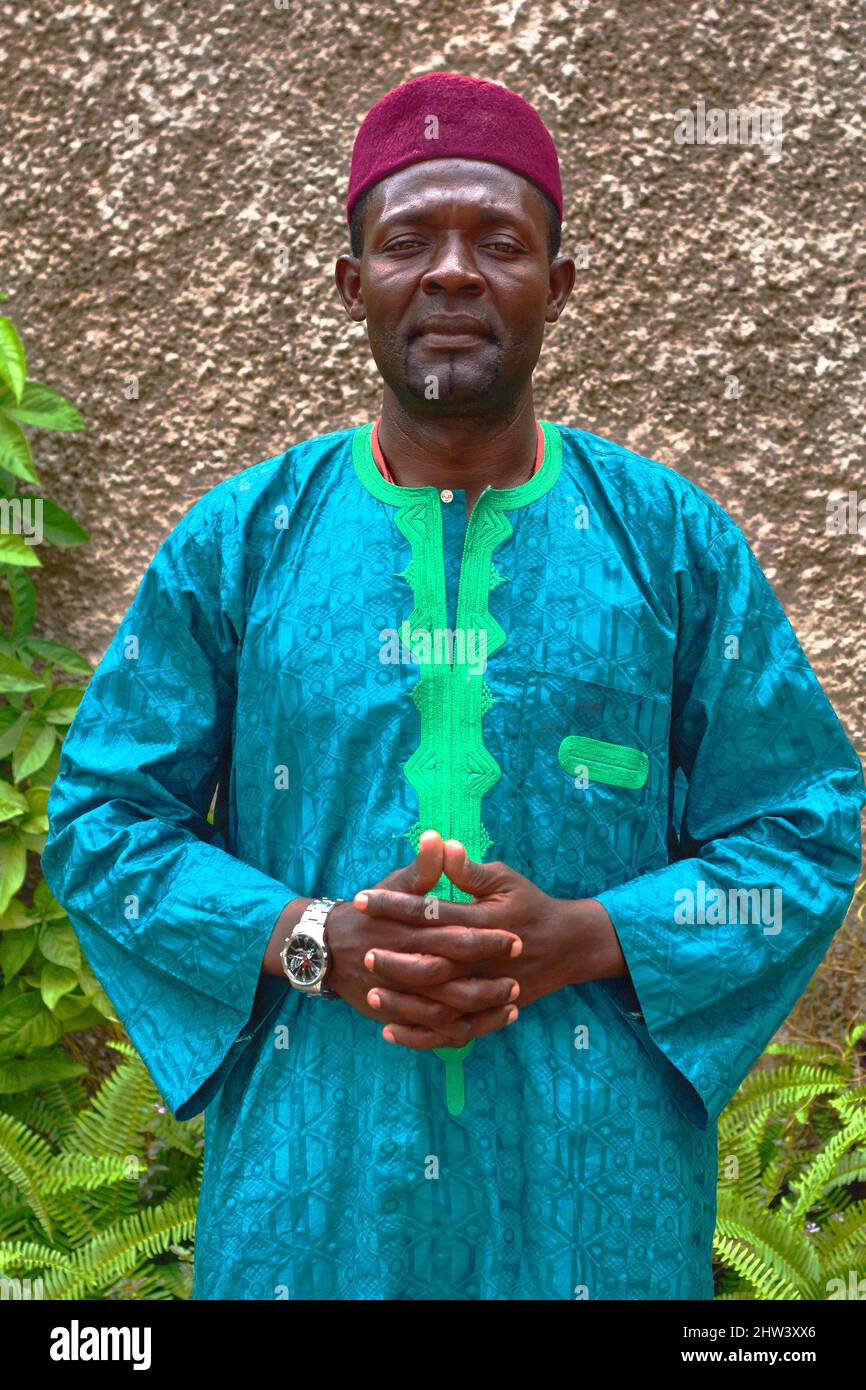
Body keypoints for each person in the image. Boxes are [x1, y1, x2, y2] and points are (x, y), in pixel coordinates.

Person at [42, 70, 864, 1301]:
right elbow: (101, 823)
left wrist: (588, 938)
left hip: (594, 1202)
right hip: (312, 1200)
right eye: (407, 240)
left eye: (498, 240)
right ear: (350, 282)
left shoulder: (669, 543)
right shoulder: (242, 541)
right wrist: (310, 937)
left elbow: (804, 823)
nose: (450, 273)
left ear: (558, 284)